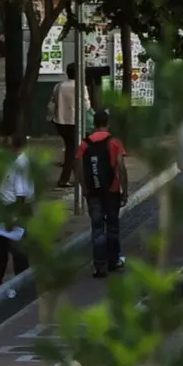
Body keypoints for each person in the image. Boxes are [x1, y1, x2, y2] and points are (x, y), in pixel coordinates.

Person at [77, 110, 128, 279]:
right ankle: (113, 261)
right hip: (112, 191)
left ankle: (100, 266)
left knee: (98, 229)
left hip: (93, 193)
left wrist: (84, 187)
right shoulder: (114, 142)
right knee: (112, 227)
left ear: (94, 123)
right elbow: (120, 167)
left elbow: (78, 166)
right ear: (107, 123)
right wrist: (124, 190)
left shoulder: (85, 144)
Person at [0, 132, 34, 290]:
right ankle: (0, 284)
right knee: (4, 252)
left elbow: (21, 195)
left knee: (11, 253)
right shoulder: (13, 162)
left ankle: (7, 285)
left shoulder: (21, 164)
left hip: (15, 213)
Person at [48, 63, 79, 188]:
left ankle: (76, 176)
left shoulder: (59, 86)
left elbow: (51, 103)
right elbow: (86, 105)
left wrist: (50, 117)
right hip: (74, 121)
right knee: (72, 150)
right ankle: (65, 178)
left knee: (71, 148)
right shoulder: (80, 87)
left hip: (60, 121)